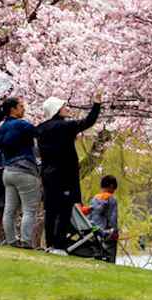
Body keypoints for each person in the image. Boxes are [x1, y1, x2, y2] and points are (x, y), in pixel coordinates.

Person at [36, 90, 102, 249]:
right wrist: (97, 104)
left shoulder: (41, 129)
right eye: (64, 106)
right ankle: (59, 244)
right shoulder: (66, 125)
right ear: (56, 109)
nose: (67, 108)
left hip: (48, 173)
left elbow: (52, 144)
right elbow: (89, 121)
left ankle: (50, 243)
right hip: (64, 174)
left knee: (50, 209)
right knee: (64, 208)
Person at [0, 97, 39, 248]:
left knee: (9, 210)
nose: (24, 109)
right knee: (29, 208)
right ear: (13, 109)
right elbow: (38, 132)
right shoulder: (21, 124)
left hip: (8, 172)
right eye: (21, 106)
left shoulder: (0, 130)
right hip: (25, 171)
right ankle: (26, 241)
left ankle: (12, 241)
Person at [86, 174, 119, 263]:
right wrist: (114, 232)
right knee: (110, 255)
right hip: (106, 234)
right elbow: (112, 218)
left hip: (94, 231)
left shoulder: (94, 199)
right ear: (111, 186)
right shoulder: (111, 199)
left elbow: (91, 216)